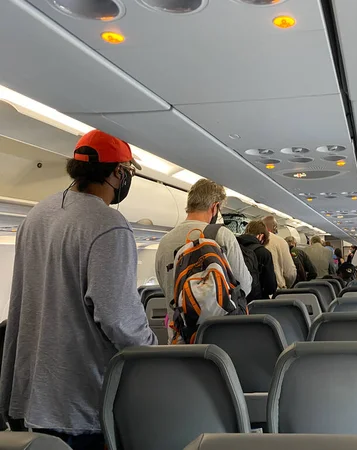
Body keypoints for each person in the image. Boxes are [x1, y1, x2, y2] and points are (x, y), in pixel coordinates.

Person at [0, 130, 157, 449]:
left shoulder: (36, 214)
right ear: (118, 173)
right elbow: (118, 319)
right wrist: (154, 351)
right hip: (79, 403)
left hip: (30, 393)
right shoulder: (108, 225)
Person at [156, 179, 252, 307]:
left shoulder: (164, 241)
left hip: (178, 324)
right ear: (214, 207)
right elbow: (244, 286)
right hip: (217, 325)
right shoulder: (222, 235)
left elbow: (166, 288)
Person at [237, 221, 277, 300]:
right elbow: (270, 287)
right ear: (261, 236)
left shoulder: (235, 247)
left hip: (238, 300)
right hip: (257, 302)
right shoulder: (264, 253)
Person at [262, 216, 296, 288]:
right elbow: (290, 273)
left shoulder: (253, 239)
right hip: (277, 290)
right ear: (274, 227)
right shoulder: (280, 242)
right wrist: (287, 286)